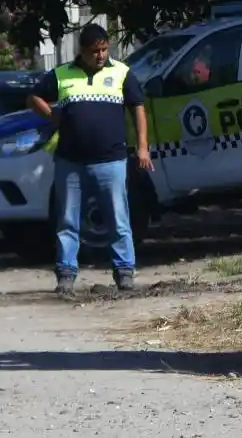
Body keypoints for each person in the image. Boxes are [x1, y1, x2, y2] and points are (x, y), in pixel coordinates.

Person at [26, 23, 153, 295]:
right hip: (70, 162)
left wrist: (142, 146)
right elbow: (34, 97)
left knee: (118, 218)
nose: (101, 55)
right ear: (82, 51)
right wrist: (52, 115)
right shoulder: (61, 74)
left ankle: (124, 271)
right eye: (95, 51)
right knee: (68, 220)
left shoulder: (121, 73)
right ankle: (66, 274)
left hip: (111, 160)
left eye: (105, 49)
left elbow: (137, 108)